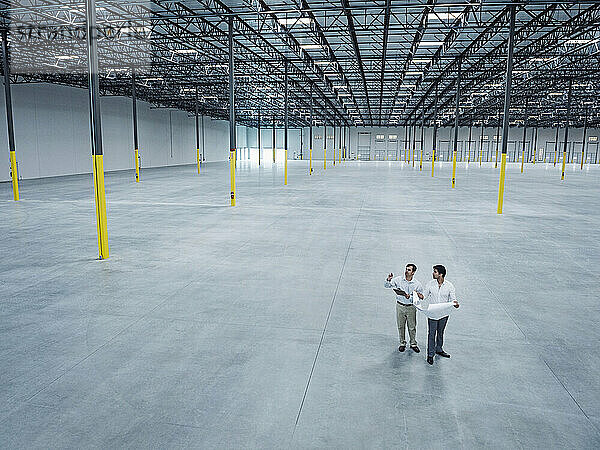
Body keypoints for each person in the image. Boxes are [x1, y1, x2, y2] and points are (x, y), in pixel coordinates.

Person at [422, 265, 459, 365]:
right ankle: (430, 355)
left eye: (435, 272)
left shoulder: (449, 286)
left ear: (441, 274)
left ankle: (439, 349)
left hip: (443, 314)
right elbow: (424, 296)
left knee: (441, 332)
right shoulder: (430, 284)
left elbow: (453, 299)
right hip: (433, 313)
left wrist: (455, 303)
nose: (433, 273)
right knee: (431, 333)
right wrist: (418, 295)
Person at [385, 264, 423, 353]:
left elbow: (421, 297)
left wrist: (411, 297)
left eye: (409, 270)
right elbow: (387, 286)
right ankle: (402, 343)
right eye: (406, 269)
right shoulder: (398, 280)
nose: (406, 271)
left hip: (411, 307)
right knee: (401, 326)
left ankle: (413, 343)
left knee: (412, 326)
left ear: (413, 272)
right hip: (400, 306)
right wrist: (388, 280)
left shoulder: (417, 284)